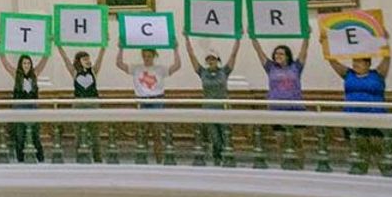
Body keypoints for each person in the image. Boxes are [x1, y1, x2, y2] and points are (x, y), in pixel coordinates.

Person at [326, 31, 390, 159]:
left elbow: (386, 57)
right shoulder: (348, 74)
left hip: (376, 119)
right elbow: (332, 61)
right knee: (359, 153)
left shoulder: (378, 74)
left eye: (359, 61)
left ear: (368, 64)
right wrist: (325, 42)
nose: (355, 63)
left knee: (380, 152)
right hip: (352, 118)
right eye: (354, 61)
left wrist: (385, 41)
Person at [184, 34, 240, 163]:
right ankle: (217, 157)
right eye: (209, 59)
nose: (211, 61)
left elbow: (233, 55)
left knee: (225, 134)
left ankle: (228, 156)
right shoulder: (202, 72)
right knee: (214, 135)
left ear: (217, 60)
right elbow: (192, 56)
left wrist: (238, 39)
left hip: (224, 107)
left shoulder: (224, 71)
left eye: (213, 59)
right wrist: (186, 39)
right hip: (209, 108)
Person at [251, 32, 310, 155]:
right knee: (281, 142)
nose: (278, 55)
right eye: (276, 53)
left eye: (281, 53)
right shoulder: (270, 67)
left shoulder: (296, 67)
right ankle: (284, 168)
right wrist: (253, 36)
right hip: (277, 110)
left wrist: (306, 35)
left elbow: (304, 51)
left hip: (296, 109)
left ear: (288, 56)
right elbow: (259, 51)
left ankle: (299, 169)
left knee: (297, 142)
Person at [57, 45, 105, 161]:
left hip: (93, 103)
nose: (88, 61)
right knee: (78, 133)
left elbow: (100, 58)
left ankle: (97, 158)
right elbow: (65, 59)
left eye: (88, 59)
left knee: (95, 133)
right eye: (85, 59)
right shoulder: (74, 72)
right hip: (78, 104)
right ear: (79, 61)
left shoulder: (93, 71)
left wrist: (104, 46)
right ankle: (80, 157)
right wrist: (59, 46)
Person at [1, 53, 49, 162]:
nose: (26, 65)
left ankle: (41, 159)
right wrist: (1, 50)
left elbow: (44, 61)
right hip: (19, 108)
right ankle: (20, 159)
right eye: (24, 63)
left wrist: (47, 48)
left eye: (28, 63)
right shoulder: (16, 74)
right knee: (20, 135)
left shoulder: (34, 74)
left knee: (35, 134)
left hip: (33, 107)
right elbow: (5, 63)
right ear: (20, 64)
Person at [116, 44, 181, 107]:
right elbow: (119, 64)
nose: (146, 58)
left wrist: (175, 49)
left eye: (149, 56)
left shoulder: (160, 69)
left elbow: (177, 66)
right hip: (142, 100)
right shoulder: (136, 68)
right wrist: (121, 49)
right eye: (144, 56)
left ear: (153, 56)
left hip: (157, 99)